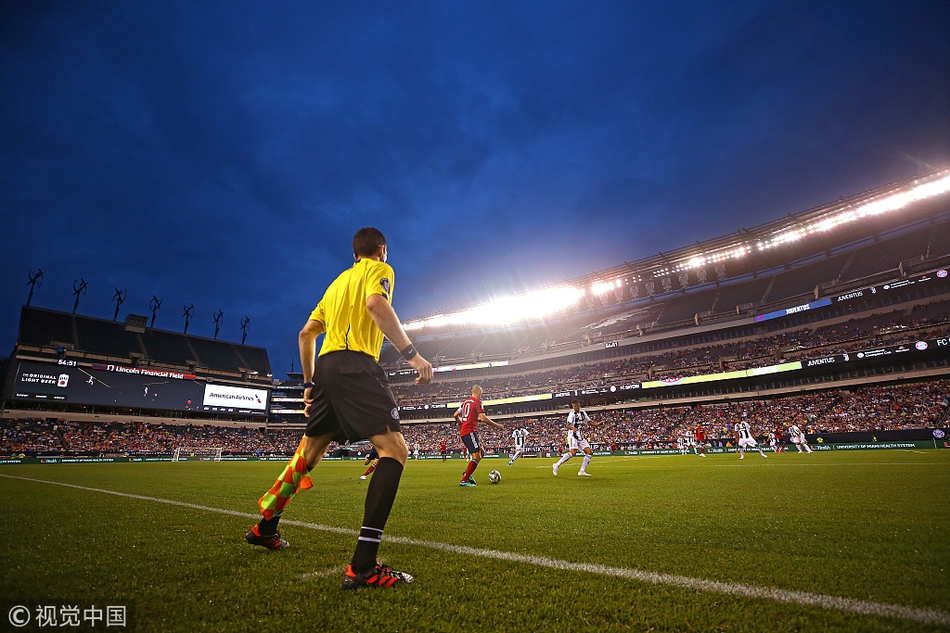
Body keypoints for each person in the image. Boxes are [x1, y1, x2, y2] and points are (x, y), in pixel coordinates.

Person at [244, 227, 434, 591]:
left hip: (327, 368)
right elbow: (377, 305)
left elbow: (305, 335)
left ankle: (265, 527)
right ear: (381, 250)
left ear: (353, 254)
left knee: (309, 453)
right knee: (394, 450)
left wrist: (309, 384)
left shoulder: (335, 285)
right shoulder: (381, 270)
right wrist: (412, 354)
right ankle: (363, 566)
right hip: (357, 366)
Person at [455, 384, 504, 486]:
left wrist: (460, 423)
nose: (481, 395)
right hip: (470, 431)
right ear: (478, 392)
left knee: (481, 452)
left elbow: (455, 414)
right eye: (481, 393)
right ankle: (464, 480)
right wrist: (497, 425)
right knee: (476, 456)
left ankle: (467, 473)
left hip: (465, 431)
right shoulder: (478, 402)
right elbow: (482, 418)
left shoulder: (464, 403)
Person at [552, 399, 600, 476]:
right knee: (573, 452)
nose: (574, 408)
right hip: (572, 436)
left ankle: (582, 471)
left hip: (580, 436)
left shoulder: (583, 413)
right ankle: (557, 465)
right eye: (573, 406)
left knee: (589, 452)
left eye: (576, 406)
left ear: (579, 405)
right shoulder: (572, 414)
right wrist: (572, 428)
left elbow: (589, 421)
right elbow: (567, 425)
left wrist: (597, 424)